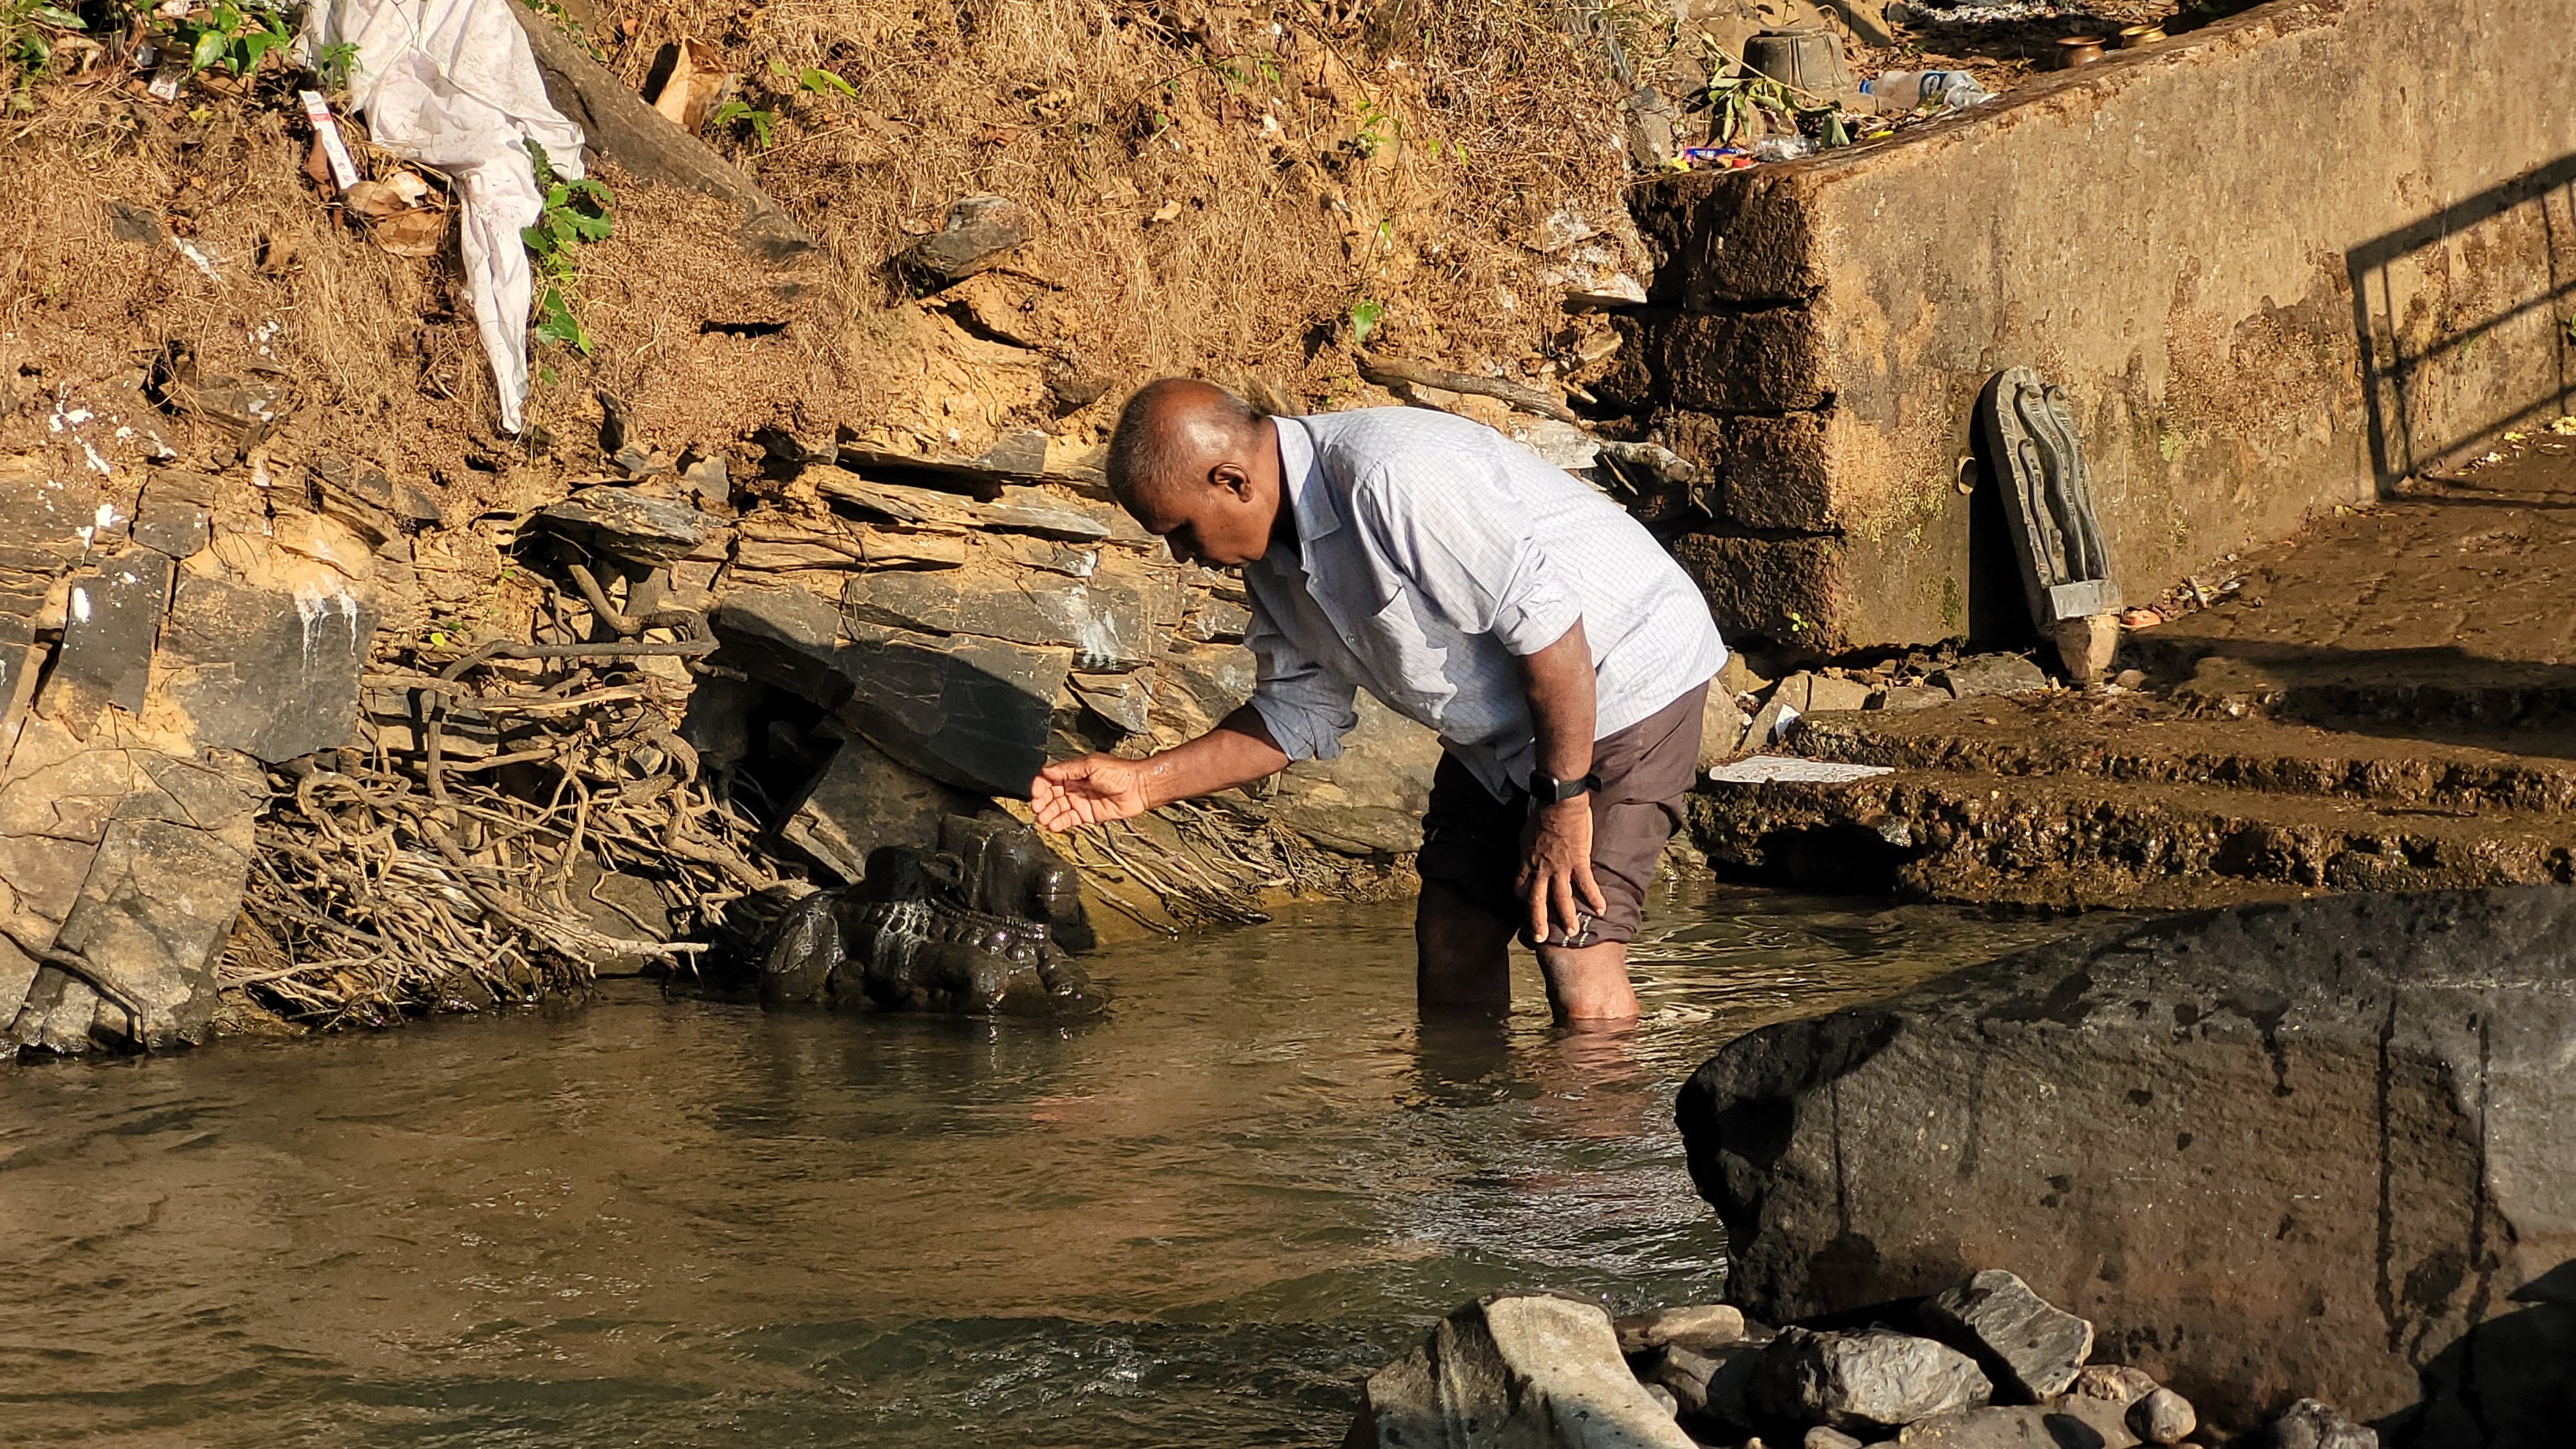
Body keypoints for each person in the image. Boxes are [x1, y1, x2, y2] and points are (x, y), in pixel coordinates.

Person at [1027, 380, 1726, 1024]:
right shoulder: (1270, 561)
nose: (1182, 555)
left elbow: (1552, 636)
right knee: (1452, 935)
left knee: (1572, 942)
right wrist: (1143, 785)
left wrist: (1565, 803)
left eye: (1179, 530)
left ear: (1232, 480)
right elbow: (1297, 714)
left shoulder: (1392, 476)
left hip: (1622, 675)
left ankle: (1593, 1153)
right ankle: (1471, 1146)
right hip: (1501, 731)